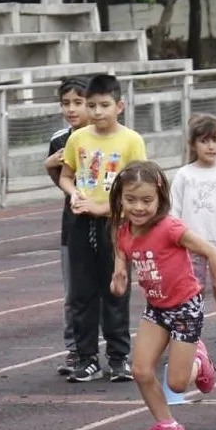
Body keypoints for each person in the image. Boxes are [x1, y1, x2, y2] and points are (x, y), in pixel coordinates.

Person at [109, 160, 216, 430]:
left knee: (177, 384)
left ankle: (200, 361)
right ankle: (170, 428)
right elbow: (121, 260)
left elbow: (212, 253)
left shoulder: (170, 228)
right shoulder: (123, 231)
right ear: (120, 199)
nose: (139, 207)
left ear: (160, 199)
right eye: (131, 200)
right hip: (156, 308)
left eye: (147, 201)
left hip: (184, 307)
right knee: (140, 370)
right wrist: (119, 276)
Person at [58, 73, 146, 384]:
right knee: (81, 292)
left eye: (104, 105)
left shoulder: (131, 141)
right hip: (81, 223)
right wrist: (75, 194)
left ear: (119, 106)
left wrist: (103, 208)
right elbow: (66, 175)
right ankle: (86, 357)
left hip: (116, 224)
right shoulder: (78, 139)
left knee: (116, 289)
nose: (97, 112)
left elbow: (138, 188)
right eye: (92, 106)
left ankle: (118, 357)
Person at [170, 113, 216, 364]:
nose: (211, 146)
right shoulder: (184, 175)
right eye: (204, 141)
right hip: (191, 249)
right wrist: (180, 243)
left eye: (215, 140)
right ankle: (195, 341)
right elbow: (174, 214)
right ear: (193, 144)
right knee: (193, 296)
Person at [46, 76, 90, 375]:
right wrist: (52, 167)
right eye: (66, 103)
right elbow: (63, 184)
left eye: (78, 102)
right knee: (73, 292)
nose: (71, 109)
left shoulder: (110, 136)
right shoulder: (60, 140)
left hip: (108, 223)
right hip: (73, 223)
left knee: (111, 290)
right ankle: (76, 350)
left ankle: (117, 351)